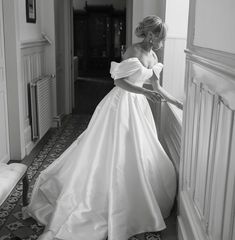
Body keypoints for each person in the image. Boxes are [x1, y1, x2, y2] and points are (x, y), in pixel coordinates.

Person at [23, 15, 182, 240]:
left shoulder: (154, 55)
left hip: (138, 107)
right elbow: (119, 82)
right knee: (111, 150)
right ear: (150, 35)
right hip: (121, 104)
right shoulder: (132, 51)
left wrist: (175, 101)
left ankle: (135, 196)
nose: (162, 43)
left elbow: (156, 85)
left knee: (139, 151)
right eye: (161, 38)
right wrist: (145, 92)